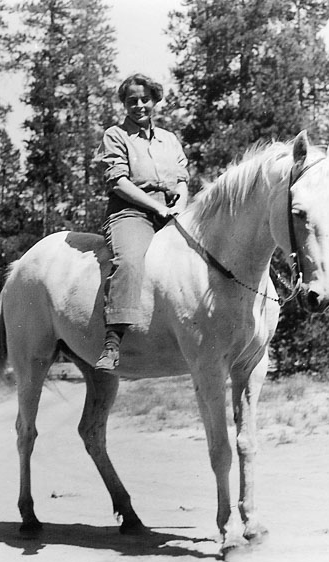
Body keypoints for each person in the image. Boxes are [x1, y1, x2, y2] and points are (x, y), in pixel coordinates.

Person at [94, 73, 189, 371]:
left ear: (155, 102)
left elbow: (183, 179)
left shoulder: (169, 140)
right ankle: (112, 342)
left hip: (171, 213)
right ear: (124, 104)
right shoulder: (115, 135)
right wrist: (156, 208)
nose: (139, 105)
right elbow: (119, 182)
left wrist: (179, 209)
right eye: (131, 100)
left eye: (144, 99)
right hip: (131, 214)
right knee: (131, 260)